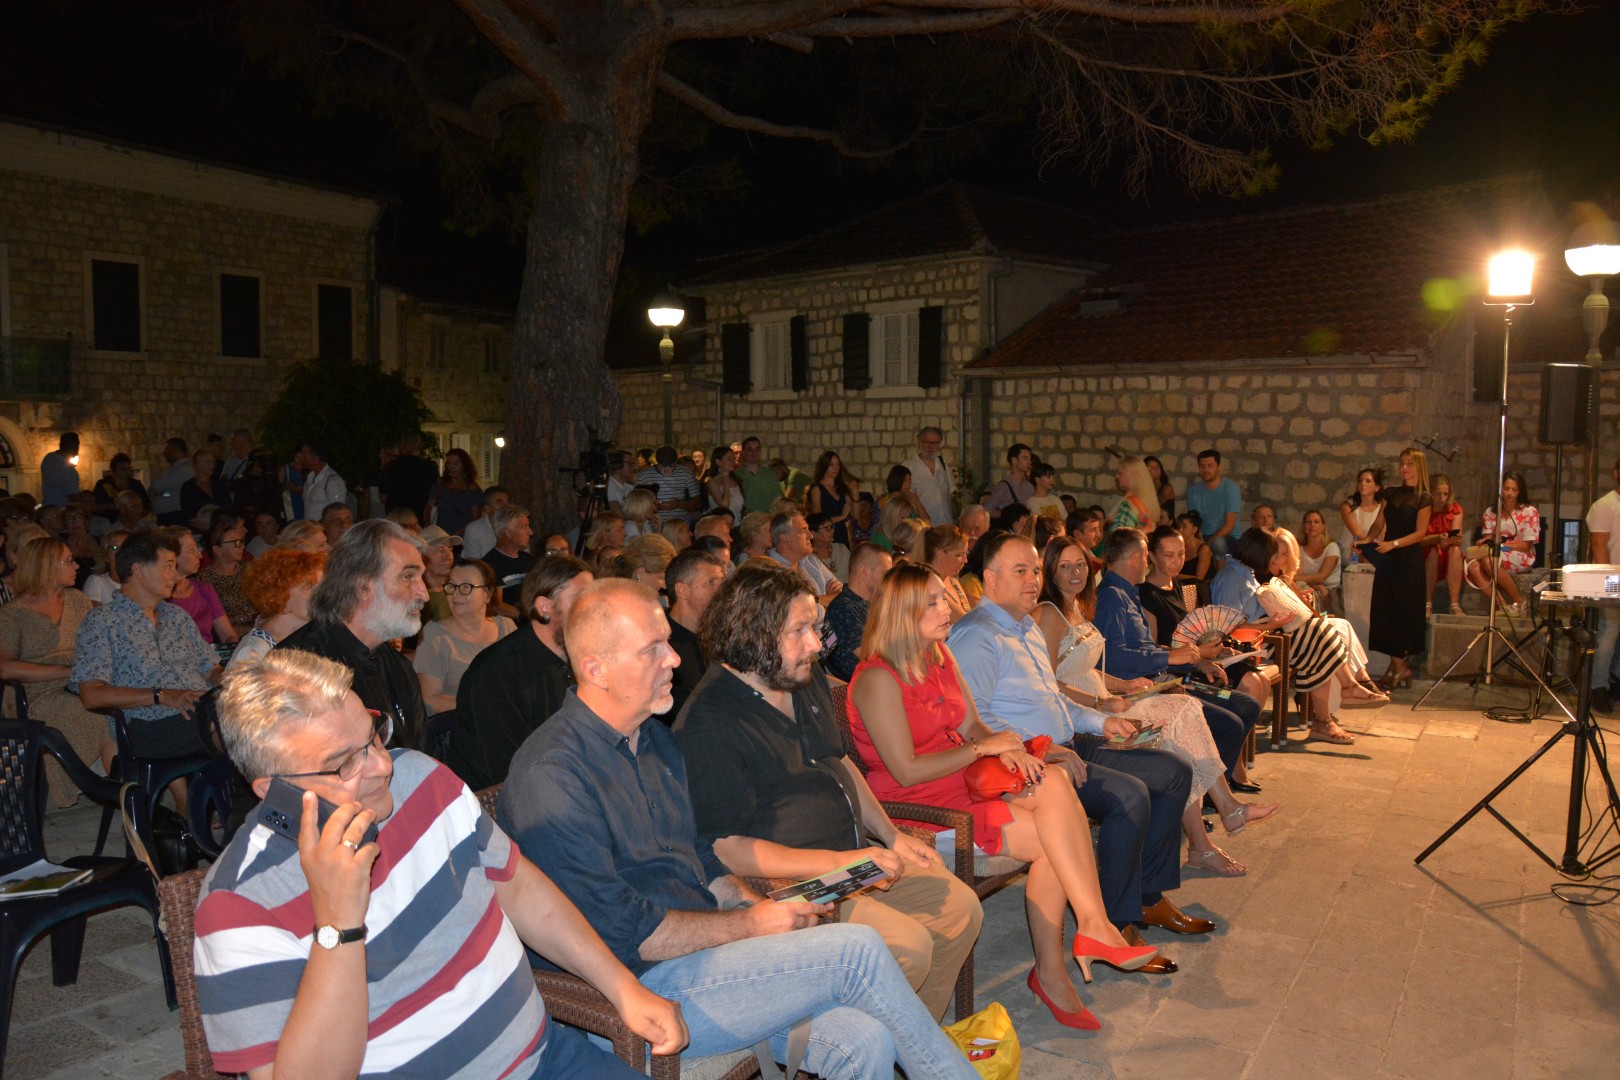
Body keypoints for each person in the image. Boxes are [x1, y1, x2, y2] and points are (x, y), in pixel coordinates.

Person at [497, 581, 980, 1079]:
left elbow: (700, 856)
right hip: (635, 990)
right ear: (595, 668)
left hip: (705, 956)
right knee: (857, 950)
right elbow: (627, 934)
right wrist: (749, 927)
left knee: (865, 1039)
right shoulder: (554, 775)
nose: (674, 659)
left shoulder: (653, 741)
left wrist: (754, 907)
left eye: (668, 643)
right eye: (651, 649)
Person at [194, 649, 683, 1079]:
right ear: (274, 790)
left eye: (374, 737)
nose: (382, 766)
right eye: (345, 763)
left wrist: (621, 986)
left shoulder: (421, 778)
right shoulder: (237, 905)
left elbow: (518, 886)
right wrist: (338, 926)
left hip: (546, 1058)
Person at [848, 561, 1158, 1029]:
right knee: (1055, 840)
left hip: (964, 781)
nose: (947, 608)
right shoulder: (877, 678)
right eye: (931, 602)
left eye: (943, 597)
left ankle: (1092, 927)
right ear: (902, 613)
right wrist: (981, 749)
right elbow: (906, 771)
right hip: (921, 807)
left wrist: (1005, 746)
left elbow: (972, 724)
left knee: (1054, 782)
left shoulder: (938, 655)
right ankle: (1059, 967)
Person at [674, 562, 983, 1023]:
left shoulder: (799, 676)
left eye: (814, 628)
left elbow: (838, 761)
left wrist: (891, 835)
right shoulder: (710, 723)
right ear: (753, 635)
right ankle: (867, 1044)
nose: (817, 645)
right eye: (799, 631)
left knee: (960, 909)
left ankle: (911, 1042)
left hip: (856, 861)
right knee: (909, 947)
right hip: (798, 886)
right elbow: (728, 849)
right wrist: (841, 862)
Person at [949, 534, 1206, 955]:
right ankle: (1117, 922)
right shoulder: (978, 635)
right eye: (1020, 571)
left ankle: (1148, 897)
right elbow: (972, 722)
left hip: (1069, 743)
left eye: (1034, 570)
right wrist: (1042, 747)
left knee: (1173, 772)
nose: (1033, 580)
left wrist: (1103, 721)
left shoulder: (1026, 627)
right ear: (990, 579)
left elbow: (1054, 698)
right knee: (1128, 796)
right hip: (1028, 763)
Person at [1038, 536, 1279, 876]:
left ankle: (1217, 823)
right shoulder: (1049, 614)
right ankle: (1214, 829)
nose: (1076, 572)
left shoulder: (1077, 606)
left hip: (1106, 699)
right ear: (1050, 571)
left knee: (1185, 712)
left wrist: (1123, 685)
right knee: (1179, 726)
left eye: (1080, 564)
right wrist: (1102, 701)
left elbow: (1085, 668)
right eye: (1065, 566)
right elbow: (1048, 682)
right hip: (1084, 715)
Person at [1097, 528, 1265, 786]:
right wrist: (1173, 659)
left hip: (1169, 677)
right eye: (1147, 556)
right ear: (1137, 558)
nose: (1146, 563)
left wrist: (1195, 661)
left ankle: (1214, 786)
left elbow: (1149, 648)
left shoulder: (1130, 592)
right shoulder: (1113, 596)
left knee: (1246, 705)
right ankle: (1208, 790)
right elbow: (1113, 657)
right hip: (1146, 686)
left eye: (1181, 554)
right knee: (1229, 722)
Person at [276, 519, 430, 751]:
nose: (424, 594)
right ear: (362, 585)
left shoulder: (398, 666)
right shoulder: (299, 669)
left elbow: (422, 757)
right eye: (408, 577)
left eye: (421, 578)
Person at [70, 530, 220, 763]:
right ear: (138, 570)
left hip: (198, 710)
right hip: (148, 723)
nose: (176, 576)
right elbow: (91, 694)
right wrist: (160, 695)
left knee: (261, 712)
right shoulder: (103, 621)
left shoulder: (177, 616)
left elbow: (210, 668)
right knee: (235, 727)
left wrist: (227, 683)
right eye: (168, 566)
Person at [447, 555, 592, 790]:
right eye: (581, 599)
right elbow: (509, 771)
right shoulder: (497, 672)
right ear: (545, 607)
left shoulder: (580, 660)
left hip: (560, 783)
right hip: (500, 800)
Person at [1213, 527, 1356, 744]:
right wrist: (1270, 625)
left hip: (1268, 633)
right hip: (1253, 642)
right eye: (1271, 554)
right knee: (1316, 638)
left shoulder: (1245, 572)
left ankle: (1329, 713)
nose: (1273, 559)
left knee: (1317, 632)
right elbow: (1227, 627)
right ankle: (1331, 711)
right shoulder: (1232, 578)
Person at [0, 536, 116, 799]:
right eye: (68, 561)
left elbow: (99, 642)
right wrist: (68, 671)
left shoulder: (77, 600)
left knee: (118, 706)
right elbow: (5, 668)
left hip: (82, 683)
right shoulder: (12, 614)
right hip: (37, 694)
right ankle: (118, 793)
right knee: (101, 716)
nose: (76, 566)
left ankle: (122, 790)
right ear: (46, 567)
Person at [414, 557, 515, 714]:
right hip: (462, 722)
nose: (456, 593)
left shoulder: (507, 627)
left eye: (466, 586)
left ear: (488, 594)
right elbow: (429, 699)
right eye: (452, 586)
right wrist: (486, 707)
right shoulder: (435, 635)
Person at [1369, 448, 1434, 687]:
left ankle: (1399, 668)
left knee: (1401, 613)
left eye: (1409, 464)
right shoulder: (1390, 492)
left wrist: (1393, 544)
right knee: (1385, 610)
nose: (1404, 468)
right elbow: (1378, 523)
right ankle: (1398, 667)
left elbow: (1420, 533)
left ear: (1419, 467)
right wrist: (1366, 540)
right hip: (1388, 557)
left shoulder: (1424, 498)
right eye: (1402, 463)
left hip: (1408, 559)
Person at [657, 548, 724, 721]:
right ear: (682, 590)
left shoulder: (724, 635)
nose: (721, 590)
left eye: (722, 581)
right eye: (711, 582)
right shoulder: (659, 643)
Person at [230, 547, 325, 668]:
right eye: (309, 586)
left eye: (323, 587)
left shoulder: (315, 637)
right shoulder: (254, 652)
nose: (322, 594)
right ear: (279, 594)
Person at [1466, 469, 1538, 617]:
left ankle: (1519, 601)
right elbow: (1488, 538)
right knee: (1472, 566)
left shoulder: (1529, 512)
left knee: (1489, 561)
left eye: (1514, 490)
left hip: (1520, 553)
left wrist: (1502, 545)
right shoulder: (1490, 512)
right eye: (1506, 489)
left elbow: (1526, 545)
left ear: (1520, 491)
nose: (1509, 493)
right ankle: (1503, 606)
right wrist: (1484, 542)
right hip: (1496, 551)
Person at [824, 543, 894, 682]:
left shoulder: (875, 604)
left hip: (881, 679)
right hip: (861, 685)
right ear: (864, 571)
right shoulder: (842, 608)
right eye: (886, 574)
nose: (890, 580)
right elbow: (869, 654)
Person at [163, 526, 237, 646]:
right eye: (192, 550)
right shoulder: (159, 596)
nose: (200, 555)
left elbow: (228, 635)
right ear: (172, 557)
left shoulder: (204, 589)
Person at [766, 510, 841, 604]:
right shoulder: (770, 570)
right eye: (803, 530)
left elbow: (840, 592)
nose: (811, 536)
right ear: (784, 538)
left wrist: (820, 600)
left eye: (808, 529)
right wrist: (826, 598)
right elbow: (796, 607)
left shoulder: (811, 560)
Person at [200, 512, 255, 636]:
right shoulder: (205, 579)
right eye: (236, 543)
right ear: (217, 550)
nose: (241, 546)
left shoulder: (249, 568)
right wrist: (237, 618)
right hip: (231, 633)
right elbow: (209, 618)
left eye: (241, 542)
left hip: (259, 626)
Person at [1422, 473, 1466, 617]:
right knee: (1434, 551)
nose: (1442, 498)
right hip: (1427, 552)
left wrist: (1452, 540)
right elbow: (1420, 539)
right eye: (1438, 494)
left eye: (1445, 494)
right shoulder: (1424, 510)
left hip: (1447, 552)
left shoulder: (1455, 509)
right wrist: (1436, 539)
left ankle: (1454, 604)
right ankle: (1427, 603)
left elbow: (1458, 537)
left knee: (1456, 550)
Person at [1185, 449, 1240, 556]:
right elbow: (1194, 520)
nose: (1206, 470)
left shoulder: (1230, 488)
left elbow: (1229, 525)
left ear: (1219, 467)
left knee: (1218, 543)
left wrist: (1208, 542)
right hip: (1203, 535)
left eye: (1210, 466)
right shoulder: (1193, 491)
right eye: (1202, 466)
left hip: (1228, 537)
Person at [483, 503, 535, 618]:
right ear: (508, 533)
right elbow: (497, 606)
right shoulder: (490, 564)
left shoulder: (529, 560)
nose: (531, 532)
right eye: (524, 527)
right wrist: (531, 617)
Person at [898, 426, 956, 528]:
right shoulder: (908, 467)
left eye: (935, 443)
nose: (930, 446)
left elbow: (950, 494)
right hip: (922, 527)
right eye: (926, 442)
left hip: (946, 525)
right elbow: (902, 497)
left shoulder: (943, 465)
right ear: (919, 442)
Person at [379, 431, 438, 521]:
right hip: (419, 516)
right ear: (420, 445)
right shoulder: (429, 467)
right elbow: (433, 496)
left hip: (395, 515)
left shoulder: (390, 467)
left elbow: (383, 498)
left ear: (401, 445)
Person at [424, 447, 483, 536]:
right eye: (449, 464)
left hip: (463, 535)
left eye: (456, 463)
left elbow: (475, 518)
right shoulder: (441, 484)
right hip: (440, 534)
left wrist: (459, 533)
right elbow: (428, 508)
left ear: (464, 465)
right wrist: (429, 527)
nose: (452, 467)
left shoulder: (472, 489)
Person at [635, 446, 701, 526]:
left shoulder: (685, 473)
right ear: (657, 462)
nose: (666, 471)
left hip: (678, 525)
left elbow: (697, 503)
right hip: (651, 525)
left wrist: (679, 504)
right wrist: (653, 506)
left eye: (671, 467)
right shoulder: (644, 475)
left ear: (675, 462)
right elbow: (634, 503)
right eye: (663, 467)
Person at [923, 523, 973, 620]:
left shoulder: (953, 582)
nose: (965, 560)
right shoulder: (929, 586)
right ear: (940, 554)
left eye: (965, 554)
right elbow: (964, 620)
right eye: (959, 555)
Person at [1298, 509, 1343, 613]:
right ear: (1304, 526)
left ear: (1323, 526)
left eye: (1316, 522)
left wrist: (1294, 578)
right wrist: (1317, 587)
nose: (1312, 525)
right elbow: (1299, 579)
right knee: (1299, 587)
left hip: (1330, 591)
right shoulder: (1299, 549)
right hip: (1310, 589)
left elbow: (1321, 577)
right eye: (1308, 522)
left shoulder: (1331, 547)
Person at [807, 450, 854, 545]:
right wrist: (842, 516)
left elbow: (854, 514)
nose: (836, 468)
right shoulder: (817, 489)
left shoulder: (842, 488)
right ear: (824, 466)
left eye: (838, 465)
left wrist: (855, 494)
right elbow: (818, 521)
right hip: (826, 537)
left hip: (842, 535)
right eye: (831, 465)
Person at [1339, 467, 1386, 557]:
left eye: (1368, 481)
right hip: (1352, 548)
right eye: (1360, 481)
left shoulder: (1381, 508)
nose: (1363, 484)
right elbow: (1358, 535)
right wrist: (1376, 547)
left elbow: (1383, 535)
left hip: (1373, 549)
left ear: (1377, 487)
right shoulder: (1347, 507)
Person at [91, 453, 150, 522]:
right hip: (109, 522)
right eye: (122, 468)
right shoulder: (103, 484)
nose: (125, 471)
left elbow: (147, 504)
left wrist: (139, 514)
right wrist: (108, 506)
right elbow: (94, 507)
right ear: (113, 469)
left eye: (128, 468)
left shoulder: (136, 484)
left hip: (133, 522)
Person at [150, 437, 195, 527]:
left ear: (175, 450)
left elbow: (157, 487)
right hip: (169, 516)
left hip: (174, 517)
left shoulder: (183, 470)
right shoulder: (175, 469)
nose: (164, 452)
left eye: (167, 449)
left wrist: (164, 493)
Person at [1110, 457, 1160, 534]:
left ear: (1132, 475)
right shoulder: (1146, 501)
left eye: (1120, 473)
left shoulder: (1129, 504)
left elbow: (1121, 537)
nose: (1116, 476)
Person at [299, 443, 347, 522]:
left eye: (304, 457)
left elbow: (338, 512)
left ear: (315, 459)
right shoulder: (310, 478)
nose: (302, 459)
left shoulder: (333, 481)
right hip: (310, 527)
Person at [985, 443, 1034, 515]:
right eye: (1025, 458)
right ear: (1014, 460)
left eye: (1030, 459)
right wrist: (1007, 515)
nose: (1029, 462)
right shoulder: (1003, 486)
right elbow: (987, 509)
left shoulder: (1029, 487)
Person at [734, 437, 779, 515]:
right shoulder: (736, 475)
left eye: (757, 449)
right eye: (750, 449)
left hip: (768, 519)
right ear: (743, 452)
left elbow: (778, 499)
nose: (754, 453)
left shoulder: (770, 474)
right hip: (746, 520)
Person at [461, 485, 509, 559]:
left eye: (507, 502)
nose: (505, 506)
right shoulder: (474, 529)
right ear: (487, 508)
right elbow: (473, 561)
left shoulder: (516, 526)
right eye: (499, 502)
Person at [703, 444, 744, 523]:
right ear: (718, 462)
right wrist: (725, 481)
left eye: (733, 459)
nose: (733, 462)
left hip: (738, 524)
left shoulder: (736, 480)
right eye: (729, 459)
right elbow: (724, 505)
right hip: (722, 525)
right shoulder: (712, 483)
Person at [40, 431, 81, 507]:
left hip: (48, 505)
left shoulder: (48, 458)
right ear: (75, 447)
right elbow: (73, 496)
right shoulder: (67, 468)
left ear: (60, 445)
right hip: (61, 509)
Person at [1144, 455, 1176, 524]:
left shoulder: (1167, 488)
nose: (1155, 469)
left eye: (1157, 466)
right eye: (1150, 468)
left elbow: (1154, 507)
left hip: (1166, 526)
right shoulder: (1146, 488)